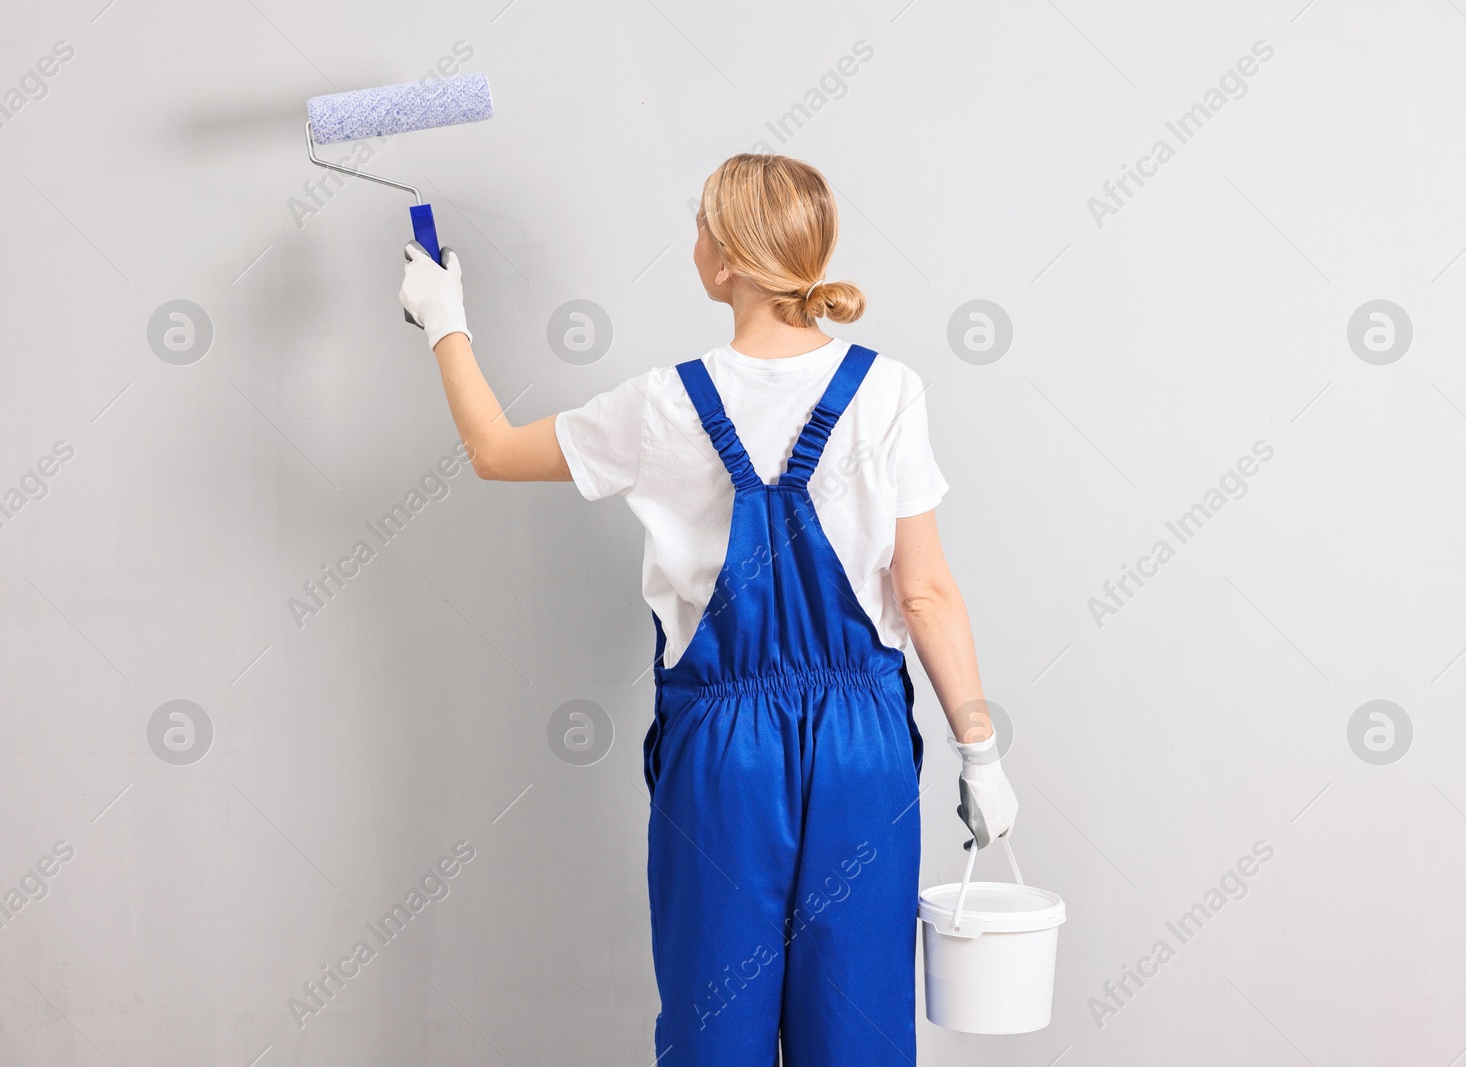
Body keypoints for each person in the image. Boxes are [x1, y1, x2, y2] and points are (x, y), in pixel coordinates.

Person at [400, 152, 1020, 1064]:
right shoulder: (888, 389)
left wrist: (444, 321)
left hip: (723, 758)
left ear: (725, 258)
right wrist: (980, 752)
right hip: (863, 751)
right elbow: (924, 591)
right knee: (860, 1031)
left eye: (698, 224)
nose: (690, 240)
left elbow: (493, 449)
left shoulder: (662, 405)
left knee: (713, 1030)